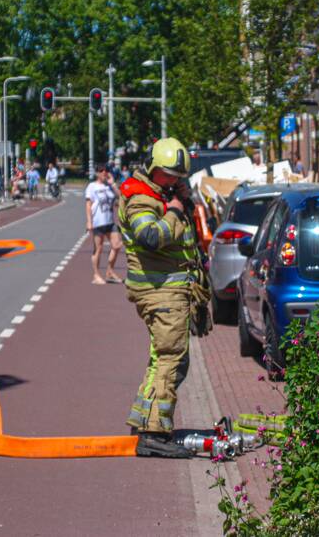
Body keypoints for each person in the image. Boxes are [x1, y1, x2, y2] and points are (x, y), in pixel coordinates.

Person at [119, 138, 212, 458]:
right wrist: (173, 210)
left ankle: (144, 420)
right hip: (159, 291)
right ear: (155, 169)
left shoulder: (160, 193)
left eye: (180, 177)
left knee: (164, 358)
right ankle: (155, 433)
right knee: (171, 357)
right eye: (171, 176)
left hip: (169, 289)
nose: (175, 182)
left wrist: (180, 202)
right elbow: (150, 238)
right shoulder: (141, 199)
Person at [86, 164, 123, 284]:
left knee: (117, 245)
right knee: (98, 249)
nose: (104, 173)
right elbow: (88, 205)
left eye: (105, 171)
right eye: (101, 171)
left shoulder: (109, 186)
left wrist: (112, 183)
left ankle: (109, 271)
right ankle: (96, 275)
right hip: (98, 221)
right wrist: (89, 222)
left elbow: (120, 196)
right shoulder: (92, 186)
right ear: (97, 173)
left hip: (110, 221)